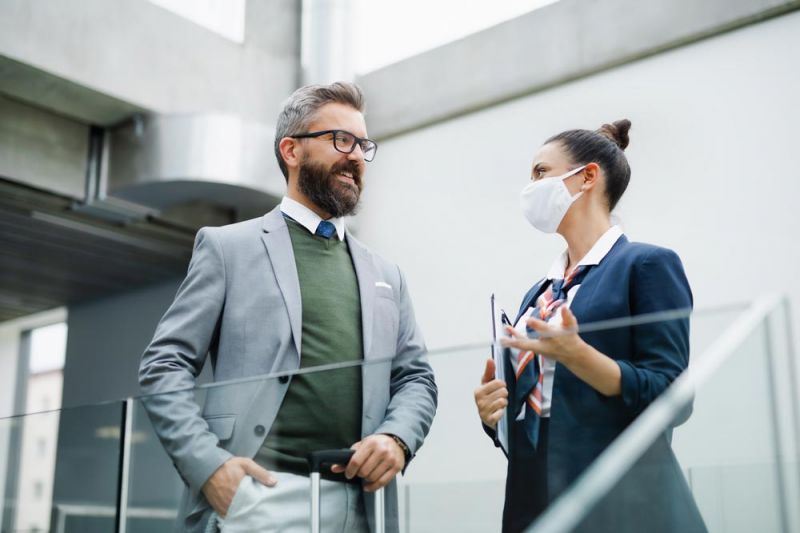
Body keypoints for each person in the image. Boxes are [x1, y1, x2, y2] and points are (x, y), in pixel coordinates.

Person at [139, 81, 437, 533]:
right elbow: (164, 364)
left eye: (363, 145)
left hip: (363, 506)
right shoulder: (227, 248)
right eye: (341, 140)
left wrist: (397, 438)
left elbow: (415, 377)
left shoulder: (387, 274)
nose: (356, 156)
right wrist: (209, 467)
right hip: (259, 497)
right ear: (291, 151)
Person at [473, 120, 705, 532]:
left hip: (623, 503)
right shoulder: (538, 294)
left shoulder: (646, 265)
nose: (530, 186)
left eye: (541, 172)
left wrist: (581, 357)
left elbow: (675, 397)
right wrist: (496, 416)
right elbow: (544, 405)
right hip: (537, 500)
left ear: (587, 177)